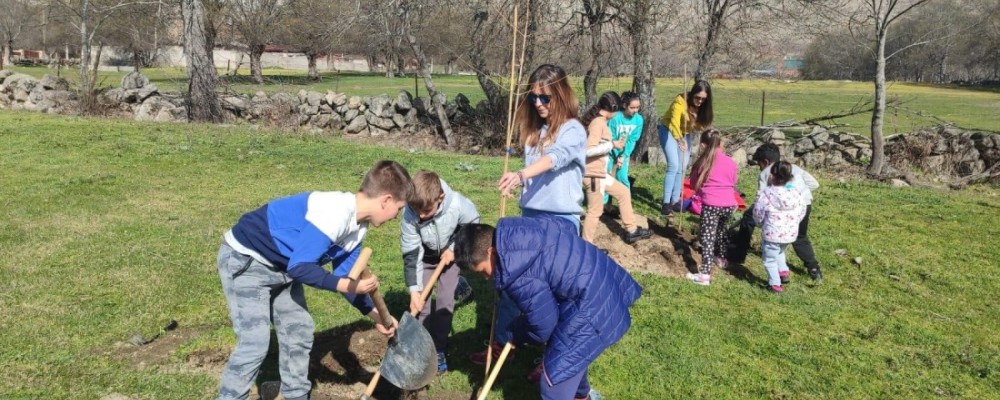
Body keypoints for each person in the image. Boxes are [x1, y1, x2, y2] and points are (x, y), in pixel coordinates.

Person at [215, 160, 412, 400]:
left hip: (282, 268)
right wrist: (349, 285)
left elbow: (344, 277)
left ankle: (296, 395)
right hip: (247, 261)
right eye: (399, 209)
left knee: (299, 330)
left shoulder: (357, 226)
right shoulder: (334, 213)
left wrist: (379, 317)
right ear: (386, 200)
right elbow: (301, 268)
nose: (396, 216)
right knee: (254, 342)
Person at [454, 217, 640, 400]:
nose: (487, 278)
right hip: (602, 276)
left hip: (593, 306)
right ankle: (581, 396)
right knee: (571, 354)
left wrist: (515, 331)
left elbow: (543, 326)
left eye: (483, 271)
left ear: (491, 251)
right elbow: (565, 224)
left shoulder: (517, 273)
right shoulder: (520, 230)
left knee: (554, 383)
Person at [486, 64, 587, 383]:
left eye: (545, 98)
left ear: (560, 94)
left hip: (559, 223)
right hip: (530, 218)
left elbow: (555, 159)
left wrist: (520, 175)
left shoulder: (573, 129)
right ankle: (504, 342)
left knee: (556, 294)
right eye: (533, 99)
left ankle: (552, 358)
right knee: (513, 282)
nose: (539, 104)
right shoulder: (534, 132)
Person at [400, 170, 480, 375]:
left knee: (445, 301)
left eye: (426, 211)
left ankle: (439, 348)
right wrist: (414, 290)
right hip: (425, 258)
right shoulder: (411, 212)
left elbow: (473, 227)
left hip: (450, 257)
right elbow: (411, 253)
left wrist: (454, 249)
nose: (421, 216)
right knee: (422, 304)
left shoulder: (458, 205)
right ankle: (421, 348)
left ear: (440, 198)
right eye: (417, 212)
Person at [728, 143, 824, 281]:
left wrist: (758, 217)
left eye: (759, 164)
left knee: (748, 217)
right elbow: (814, 184)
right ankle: (813, 268)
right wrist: (798, 194)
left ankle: (738, 253)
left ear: (765, 162)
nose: (760, 168)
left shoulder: (766, 173)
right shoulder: (794, 168)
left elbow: (760, 198)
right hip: (803, 204)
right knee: (800, 237)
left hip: (779, 208)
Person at [580, 91, 651, 244]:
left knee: (623, 192)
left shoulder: (602, 122)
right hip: (593, 175)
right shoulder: (597, 124)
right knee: (595, 211)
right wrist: (611, 145)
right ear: (613, 108)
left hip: (600, 174)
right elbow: (588, 150)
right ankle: (586, 246)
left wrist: (619, 151)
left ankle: (631, 230)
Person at [686, 129, 739, 286]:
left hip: (712, 204)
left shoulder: (702, 162)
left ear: (702, 145)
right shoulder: (730, 161)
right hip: (729, 204)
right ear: (720, 143)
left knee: (708, 239)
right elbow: (734, 180)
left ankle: (704, 275)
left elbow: (694, 184)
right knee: (721, 231)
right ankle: (722, 259)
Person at [658, 80, 714, 215]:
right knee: (673, 165)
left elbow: (700, 127)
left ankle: (675, 200)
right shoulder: (680, 102)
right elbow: (673, 123)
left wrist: (694, 120)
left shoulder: (702, 107)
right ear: (692, 93)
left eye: (703, 99)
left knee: (682, 167)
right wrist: (679, 139)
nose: (700, 101)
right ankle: (666, 202)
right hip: (669, 131)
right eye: (697, 98)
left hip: (684, 134)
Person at [753, 161, 807, 293]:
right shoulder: (796, 193)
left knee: (769, 259)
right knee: (780, 251)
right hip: (789, 233)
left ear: (772, 176)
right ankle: (783, 272)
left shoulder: (767, 194)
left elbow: (758, 211)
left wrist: (760, 223)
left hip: (772, 233)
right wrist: (794, 223)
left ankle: (775, 284)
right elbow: (802, 210)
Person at [605, 91, 644, 202]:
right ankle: (604, 205)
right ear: (624, 105)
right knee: (607, 177)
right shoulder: (615, 118)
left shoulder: (639, 120)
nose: (635, 110)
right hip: (610, 153)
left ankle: (625, 203)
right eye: (632, 107)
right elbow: (610, 137)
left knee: (622, 178)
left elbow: (632, 140)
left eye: (638, 107)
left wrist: (623, 156)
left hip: (624, 154)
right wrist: (616, 155)